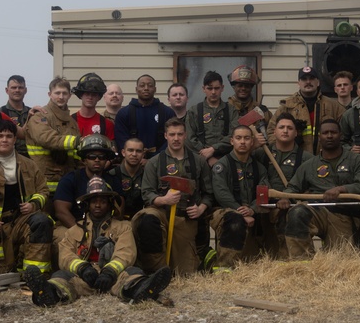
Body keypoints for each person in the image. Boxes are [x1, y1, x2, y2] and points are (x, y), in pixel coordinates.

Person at [23, 177, 172, 306]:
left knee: (133, 274)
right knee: (61, 277)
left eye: (102, 201)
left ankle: (142, 289)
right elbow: (65, 255)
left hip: (115, 277)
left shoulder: (123, 227)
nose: (98, 205)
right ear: (87, 204)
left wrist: (110, 271)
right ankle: (49, 293)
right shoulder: (74, 230)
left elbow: (126, 253)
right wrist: (82, 268)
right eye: (94, 201)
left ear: (110, 204)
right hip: (83, 278)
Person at [0, 118, 52, 277]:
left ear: (15, 139)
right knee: (1, 274)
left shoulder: (29, 165)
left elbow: (43, 190)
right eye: (0, 136)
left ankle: (35, 276)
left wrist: (34, 205)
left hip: (21, 221)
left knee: (41, 221)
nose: (4, 140)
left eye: (8, 136)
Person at [277, 119, 360, 259]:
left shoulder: (356, 160)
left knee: (340, 261)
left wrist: (341, 189)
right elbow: (293, 187)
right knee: (297, 213)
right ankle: (302, 264)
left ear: (341, 135)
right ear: (319, 137)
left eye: (333, 132)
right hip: (318, 210)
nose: (329, 136)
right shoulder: (310, 165)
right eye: (325, 133)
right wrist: (285, 197)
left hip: (344, 214)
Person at [134, 118, 213, 276]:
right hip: (162, 215)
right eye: (172, 134)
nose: (176, 138)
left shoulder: (198, 162)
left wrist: (200, 208)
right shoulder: (154, 163)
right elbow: (147, 193)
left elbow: (209, 193)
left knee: (185, 274)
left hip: (186, 219)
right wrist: (163, 200)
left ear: (185, 135)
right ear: (165, 136)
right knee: (147, 218)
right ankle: (153, 271)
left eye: (179, 134)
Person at [210, 125, 272, 267]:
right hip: (225, 212)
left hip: (251, 213)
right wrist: (240, 211)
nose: (242, 142)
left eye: (246, 138)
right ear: (232, 141)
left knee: (249, 263)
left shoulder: (259, 168)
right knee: (234, 220)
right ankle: (223, 268)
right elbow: (221, 193)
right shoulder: (221, 166)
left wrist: (252, 209)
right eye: (238, 138)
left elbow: (263, 193)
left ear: (252, 142)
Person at [253, 113, 312, 257]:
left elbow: (311, 186)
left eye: (290, 128)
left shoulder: (306, 158)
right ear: (275, 131)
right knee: (269, 255)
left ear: (296, 133)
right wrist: (252, 146)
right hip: (265, 210)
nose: (285, 131)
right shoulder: (261, 153)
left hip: (292, 210)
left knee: (289, 254)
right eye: (282, 127)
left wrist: (292, 199)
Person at [24, 77, 81, 197]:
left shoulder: (72, 123)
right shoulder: (39, 116)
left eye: (64, 93)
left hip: (68, 182)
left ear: (70, 95)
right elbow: (46, 138)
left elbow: (76, 155)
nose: (61, 97)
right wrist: (78, 141)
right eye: (57, 93)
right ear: (49, 94)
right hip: (44, 182)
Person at [270, 66, 346, 155]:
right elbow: (272, 132)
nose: (308, 82)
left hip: (326, 158)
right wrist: (284, 152)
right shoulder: (286, 107)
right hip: (295, 160)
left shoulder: (334, 106)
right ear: (298, 83)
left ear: (318, 82)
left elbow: (345, 134)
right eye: (304, 79)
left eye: (312, 78)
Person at [54, 134, 122, 228]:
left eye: (101, 157)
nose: (97, 160)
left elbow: (120, 211)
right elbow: (61, 212)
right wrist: (81, 232)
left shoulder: (113, 180)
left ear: (106, 160)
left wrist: (103, 232)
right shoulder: (70, 179)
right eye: (92, 156)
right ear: (84, 160)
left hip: (106, 227)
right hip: (74, 226)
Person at [115, 74, 176, 158]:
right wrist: (136, 157)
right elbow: (121, 140)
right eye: (142, 85)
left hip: (161, 160)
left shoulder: (167, 112)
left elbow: (172, 139)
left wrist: (155, 159)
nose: (146, 88)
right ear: (136, 89)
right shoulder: (124, 113)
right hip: (132, 161)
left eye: (150, 85)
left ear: (155, 89)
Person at [187, 71, 238, 167]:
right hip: (200, 161)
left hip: (227, 160)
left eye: (217, 88)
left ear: (222, 88)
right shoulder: (194, 111)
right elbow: (189, 139)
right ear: (203, 89)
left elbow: (235, 135)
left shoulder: (231, 110)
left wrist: (213, 149)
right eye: (209, 88)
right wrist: (207, 156)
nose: (213, 92)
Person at [106, 137, 147, 219]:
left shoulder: (147, 175)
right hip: (116, 220)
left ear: (143, 154)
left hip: (140, 219)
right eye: (130, 150)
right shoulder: (111, 175)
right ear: (123, 152)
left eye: (138, 151)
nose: (134, 154)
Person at [72, 72, 114, 140]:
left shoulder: (107, 125)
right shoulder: (70, 122)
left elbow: (112, 148)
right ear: (81, 95)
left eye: (94, 94)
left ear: (99, 97)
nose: (90, 97)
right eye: (87, 94)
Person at [0, 75, 32, 158]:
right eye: (14, 88)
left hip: (31, 159)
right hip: (7, 158)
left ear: (25, 90)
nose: (17, 90)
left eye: (20, 87)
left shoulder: (33, 113)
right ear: (7, 90)